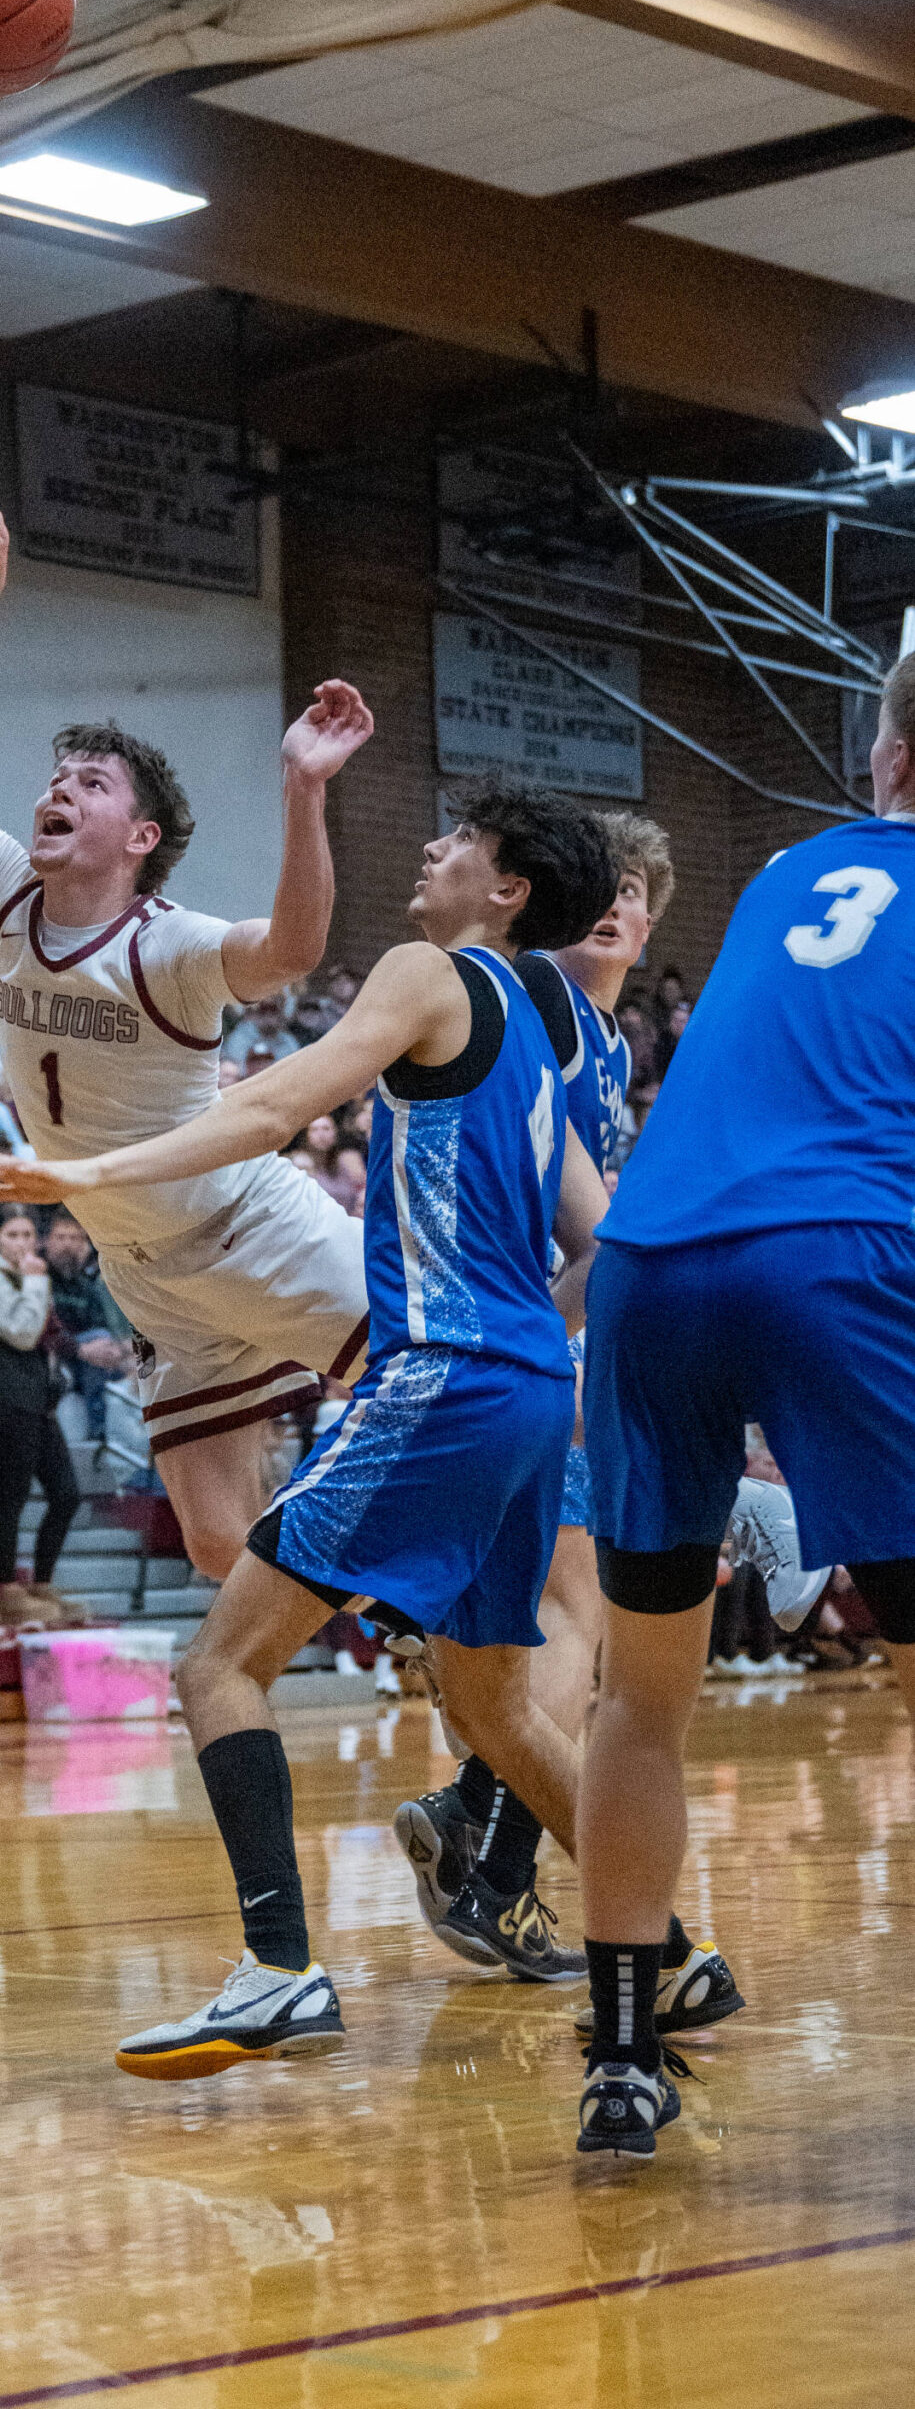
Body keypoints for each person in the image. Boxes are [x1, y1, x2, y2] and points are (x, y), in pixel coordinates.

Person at [0, 784, 616, 2075]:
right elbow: (603, 1236)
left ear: (506, 893)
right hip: (525, 1376)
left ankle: (277, 1972)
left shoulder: (427, 973)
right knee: (489, 1702)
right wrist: (536, 1339)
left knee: (216, 1668)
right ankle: (664, 1949)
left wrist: (85, 1173)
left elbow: (269, 1112)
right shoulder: (537, 1044)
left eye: (457, 844)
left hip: (437, 1371)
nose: (427, 849)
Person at [0, 474, 373, 1588]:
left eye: (89, 781)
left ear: (138, 834)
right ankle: (394, 1625)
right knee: (216, 1544)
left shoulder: (173, 944)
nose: (59, 785)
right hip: (147, 1276)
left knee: (452, 1397)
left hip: (253, 1227)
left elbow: (294, 950)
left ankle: (637, 1544)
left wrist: (303, 791)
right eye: (57, 775)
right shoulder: (1, 888)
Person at [570, 666, 915, 2157]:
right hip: (832, 1253)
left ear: (884, 752)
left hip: (646, 1265)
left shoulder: (783, 867)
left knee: (637, 1691)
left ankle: (620, 2057)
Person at [391, 811, 741, 2005]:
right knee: (571, 1622)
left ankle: (482, 1827)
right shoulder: (531, 990)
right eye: (601, 881)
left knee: (562, 1630)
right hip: (507, 1346)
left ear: (651, 914)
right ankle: (487, 1844)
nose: (615, 903)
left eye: (637, 887)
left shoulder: (606, 1042)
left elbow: (598, 1230)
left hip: (558, 1349)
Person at [0, 1212, 80, 1626]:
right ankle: (7, 1587)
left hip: (40, 1395)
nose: (22, 1243)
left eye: (28, 1234)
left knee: (67, 1493)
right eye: (12, 1235)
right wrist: (35, 1281)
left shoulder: (30, 1273)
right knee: (13, 1493)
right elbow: (22, 1331)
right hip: (10, 1395)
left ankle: (43, 1583)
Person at [43, 1212, 133, 1443]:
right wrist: (81, 1349)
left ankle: (102, 1434)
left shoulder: (86, 1286)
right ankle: (99, 1430)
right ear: (47, 1241)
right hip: (51, 1356)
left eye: (75, 1238)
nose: (68, 1245)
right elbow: (44, 1332)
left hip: (85, 1360)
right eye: (61, 1237)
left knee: (105, 1339)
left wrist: (113, 1349)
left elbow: (100, 1327)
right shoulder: (40, 1278)